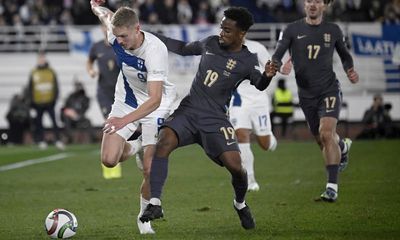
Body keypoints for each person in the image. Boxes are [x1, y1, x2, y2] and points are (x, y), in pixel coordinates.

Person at [140, 7, 278, 230]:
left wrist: (268, 76)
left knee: (237, 167)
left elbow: (259, 83)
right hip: (189, 110)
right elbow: (183, 48)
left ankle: (240, 204)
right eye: (221, 27)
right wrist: (150, 36)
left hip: (216, 120)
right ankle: (155, 202)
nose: (221, 32)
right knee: (163, 142)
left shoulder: (247, 59)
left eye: (227, 30)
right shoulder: (210, 43)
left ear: (241, 33)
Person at [90, 0, 177, 234]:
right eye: (116, 36)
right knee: (109, 159)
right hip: (125, 102)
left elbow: (155, 99)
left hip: (155, 106)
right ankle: (137, 144)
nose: (119, 41)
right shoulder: (116, 34)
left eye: (124, 37)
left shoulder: (155, 50)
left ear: (137, 29)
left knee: (149, 169)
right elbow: (106, 16)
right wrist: (95, 6)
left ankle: (143, 218)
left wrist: (125, 121)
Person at [271, 0, 359, 202]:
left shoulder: (333, 30)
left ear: (324, 6)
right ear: (304, 4)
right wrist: (277, 66)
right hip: (306, 95)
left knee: (326, 134)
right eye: (309, 0)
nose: (312, 4)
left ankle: (332, 188)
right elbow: (277, 54)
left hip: (328, 90)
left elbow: (345, 56)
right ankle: (343, 147)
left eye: (317, 1)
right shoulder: (292, 29)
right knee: (322, 140)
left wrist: (350, 70)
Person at [229, 38, 279, 192]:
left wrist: (274, 70)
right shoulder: (223, 48)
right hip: (238, 100)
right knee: (241, 135)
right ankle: (250, 180)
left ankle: (268, 136)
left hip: (258, 99)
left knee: (264, 144)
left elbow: (270, 69)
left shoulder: (257, 48)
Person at [87, 24, 122, 179]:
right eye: (104, 27)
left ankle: (116, 158)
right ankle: (111, 167)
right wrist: (91, 71)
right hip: (104, 93)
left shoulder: (121, 45)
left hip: (121, 93)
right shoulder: (96, 47)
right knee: (110, 125)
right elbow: (89, 61)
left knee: (119, 127)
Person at [27, 50, 65, 150]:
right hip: (37, 103)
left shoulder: (51, 72)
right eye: (40, 58)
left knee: (54, 122)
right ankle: (41, 141)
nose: (41, 60)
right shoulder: (33, 72)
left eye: (43, 58)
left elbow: (56, 87)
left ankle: (58, 140)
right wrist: (31, 103)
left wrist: (54, 100)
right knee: (39, 123)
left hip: (50, 103)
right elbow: (30, 88)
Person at [60, 80, 95, 144]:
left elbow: (85, 108)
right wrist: (69, 112)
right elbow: (64, 108)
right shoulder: (71, 97)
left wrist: (77, 115)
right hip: (70, 117)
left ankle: (92, 139)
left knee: (88, 122)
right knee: (66, 120)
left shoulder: (85, 98)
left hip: (79, 117)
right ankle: (69, 138)